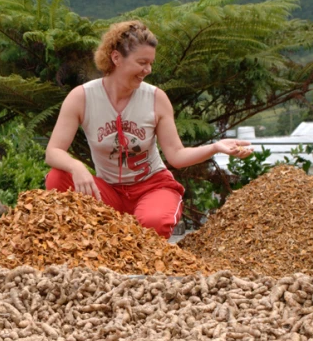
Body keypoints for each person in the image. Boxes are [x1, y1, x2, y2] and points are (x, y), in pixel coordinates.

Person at [45, 20, 252, 238]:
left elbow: (177, 155)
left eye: (150, 63)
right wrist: (77, 167)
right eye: (142, 62)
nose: (148, 70)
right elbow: (53, 151)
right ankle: (94, 240)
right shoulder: (82, 97)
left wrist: (216, 147)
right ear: (116, 58)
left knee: (153, 225)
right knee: (58, 178)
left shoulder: (156, 98)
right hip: (108, 192)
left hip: (152, 188)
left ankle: (121, 236)